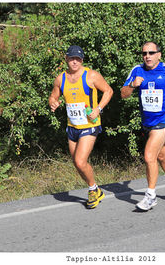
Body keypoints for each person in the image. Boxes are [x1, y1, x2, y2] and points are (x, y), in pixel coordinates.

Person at [121, 41, 165, 211]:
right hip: (147, 122)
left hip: (164, 119)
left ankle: (151, 196)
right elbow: (123, 94)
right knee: (161, 156)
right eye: (144, 53)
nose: (147, 56)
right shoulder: (136, 70)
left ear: (159, 55)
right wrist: (132, 85)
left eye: (151, 53)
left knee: (149, 156)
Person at [49, 45, 113, 209]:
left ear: (82, 60)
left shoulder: (91, 75)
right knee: (77, 164)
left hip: (90, 125)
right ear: (67, 59)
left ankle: (92, 190)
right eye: (72, 58)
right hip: (73, 126)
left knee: (80, 160)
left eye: (78, 59)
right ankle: (96, 189)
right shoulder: (61, 78)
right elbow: (53, 95)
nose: (75, 62)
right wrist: (53, 102)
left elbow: (108, 91)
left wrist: (98, 109)